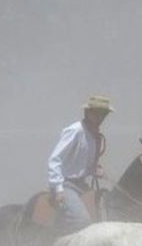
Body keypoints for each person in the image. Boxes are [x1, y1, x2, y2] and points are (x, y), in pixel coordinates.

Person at [47, 95, 111, 235]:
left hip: (81, 185)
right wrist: (58, 189)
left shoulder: (94, 134)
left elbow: (82, 163)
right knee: (82, 221)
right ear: (88, 113)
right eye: (98, 113)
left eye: (104, 114)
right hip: (66, 185)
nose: (102, 117)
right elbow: (55, 159)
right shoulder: (75, 130)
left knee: (105, 212)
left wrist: (94, 169)